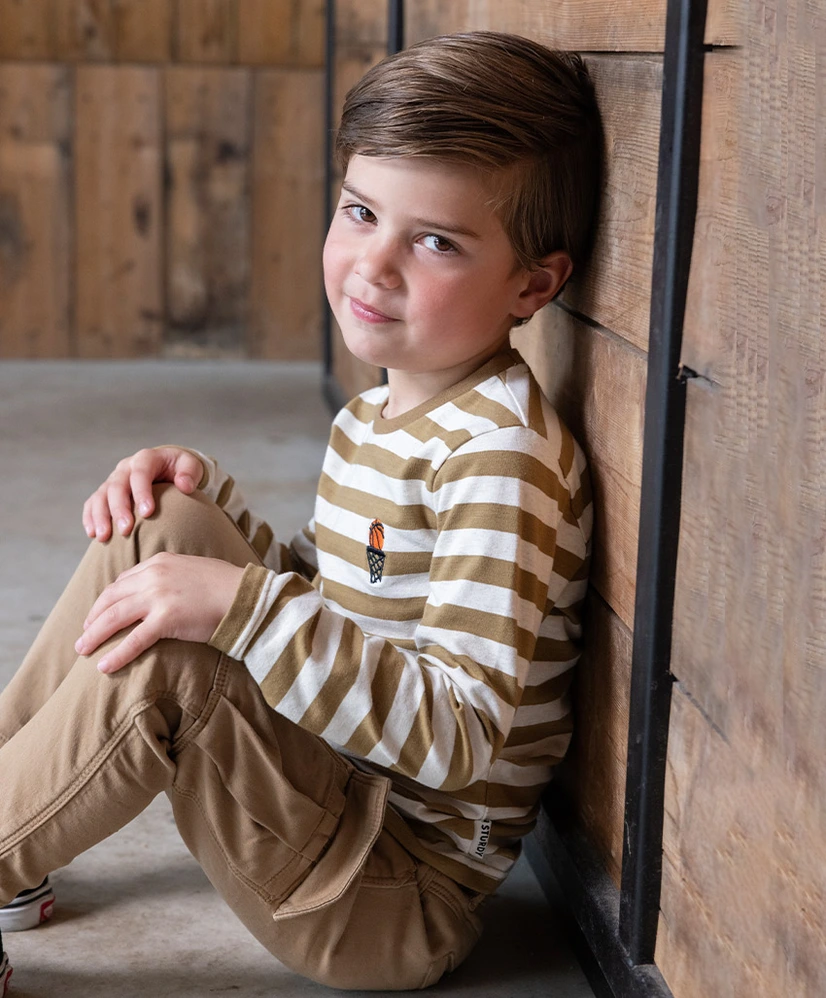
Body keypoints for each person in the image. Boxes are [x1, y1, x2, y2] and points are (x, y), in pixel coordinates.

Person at [0, 30, 602, 993]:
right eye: (361, 212)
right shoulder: (380, 410)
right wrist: (204, 504)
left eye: (435, 240)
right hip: (330, 788)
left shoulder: (498, 458)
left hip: (390, 888)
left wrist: (236, 608)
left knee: (184, 664)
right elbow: (336, 597)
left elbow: (455, 735)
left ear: (534, 283)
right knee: (166, 520)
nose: (374, 265)